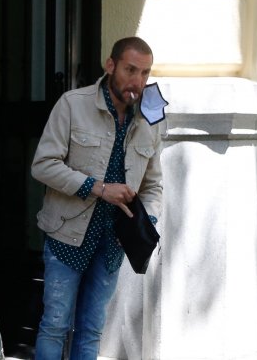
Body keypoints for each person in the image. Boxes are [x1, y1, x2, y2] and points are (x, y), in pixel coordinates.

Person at [32, 37, 163, 359]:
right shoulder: (73, 104)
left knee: (91, 330)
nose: (138, 81)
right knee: (55, 325)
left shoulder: (151, 117)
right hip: (67, 234)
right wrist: (98, 187)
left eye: (145, 73)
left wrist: (147, 223)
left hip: (114, 242)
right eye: (131, 70)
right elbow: (43, 165)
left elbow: (154, 184)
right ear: (110, 65)